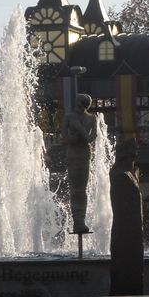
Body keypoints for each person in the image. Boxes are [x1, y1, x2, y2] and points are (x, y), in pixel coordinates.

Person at [62, 94, 98, 232]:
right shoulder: (68, 117)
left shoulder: (92, 118)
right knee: (75, 188)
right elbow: (65, 138)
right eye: (78, 105)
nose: (80, 108)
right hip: (73, 153)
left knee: (82, 188)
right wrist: (77, 134)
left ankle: (81, 221)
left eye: (83, 106)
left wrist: (80, 129)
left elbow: (91, 138)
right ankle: (77, 222)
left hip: (84, 153)